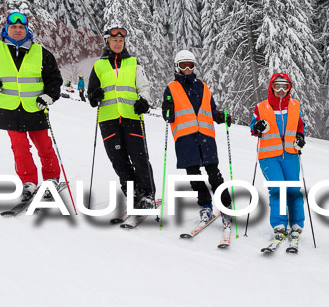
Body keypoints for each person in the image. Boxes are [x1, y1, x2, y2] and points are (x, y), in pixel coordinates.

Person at [0, 11, 63, 201]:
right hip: (9, 109)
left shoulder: (40, 52)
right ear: (6, 29)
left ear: (26, 29)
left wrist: (49, 96)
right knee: (19, 148)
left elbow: (54, 79)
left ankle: (51, 179)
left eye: (21, 27)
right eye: (14, 27)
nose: (18, 30)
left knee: (44, 146)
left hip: (35, 107)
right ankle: (28, 182)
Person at [161, 50, 233, 227]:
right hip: (185, 139)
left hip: (206, 136)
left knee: (214, 174)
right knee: (194, 176)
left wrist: (221, 116)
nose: (187, 69)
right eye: (183, 65)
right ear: (177, 67)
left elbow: (212, 110)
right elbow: (167, 116)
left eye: (190, 65)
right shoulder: (171, 88)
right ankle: (206, 206)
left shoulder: (202, 86)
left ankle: (226, 206)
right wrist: (167, 108)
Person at [86, 26, 155, 208]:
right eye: (114, 40)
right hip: (108, 119)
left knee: (139, 157)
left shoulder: (133, 63)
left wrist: (144, 102)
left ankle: (147, 193)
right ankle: (132, 190)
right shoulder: (99, 66)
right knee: (118, 159)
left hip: (131, 116)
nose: (117, 43)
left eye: (121, 41)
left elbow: (144, 87)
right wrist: (95, 96)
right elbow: (91, 93)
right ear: (108, 42)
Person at [250, 73, 305, 244]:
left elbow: (300, 127)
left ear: (289, 88)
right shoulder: (261, 107)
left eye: (285, 87)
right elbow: (253, 128)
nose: (281, 90)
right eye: (277, 86)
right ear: (271, 87)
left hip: (290, 154)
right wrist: (257, 127)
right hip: (268, 155)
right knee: (278, 189)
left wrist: (300, 138)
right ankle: (279, 224)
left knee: (293, 190)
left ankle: (296, 223)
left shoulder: (295, 105)